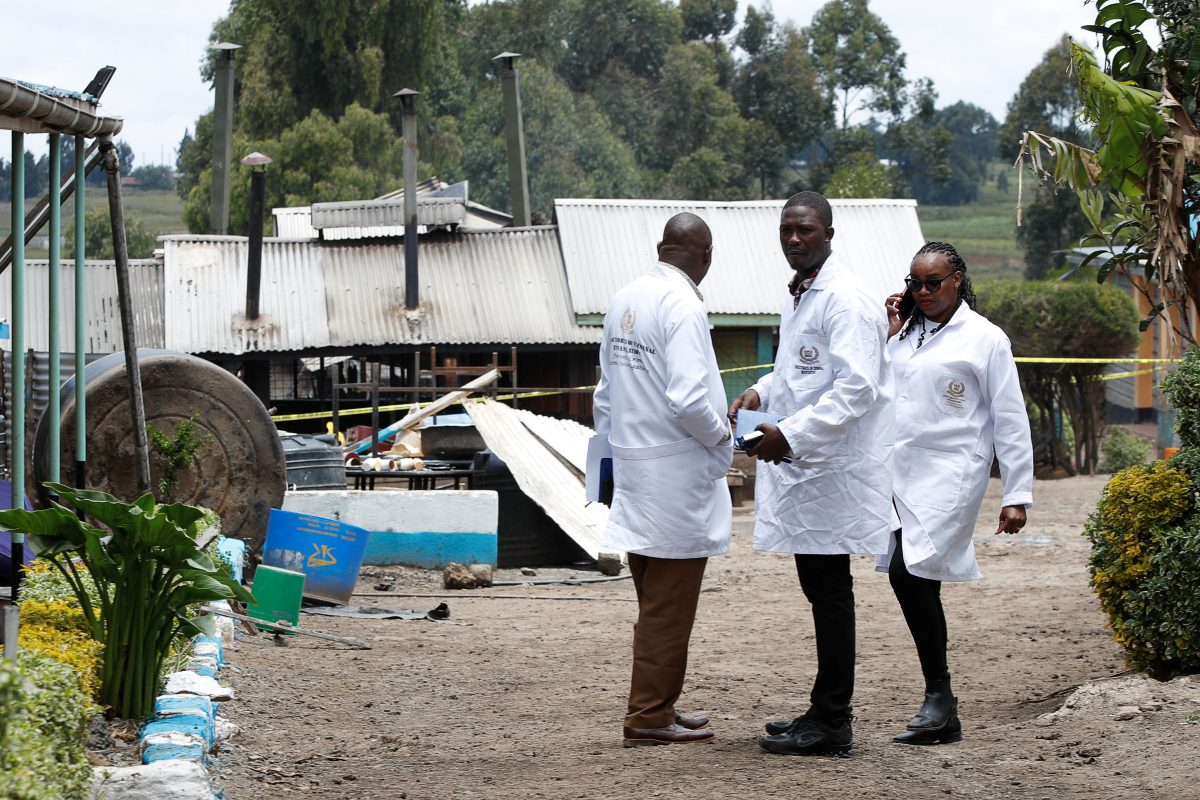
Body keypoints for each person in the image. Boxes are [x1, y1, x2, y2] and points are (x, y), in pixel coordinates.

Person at [729, 192, 895, 756]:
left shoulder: (845, 300)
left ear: (828, 232)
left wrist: (791, 435)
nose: (793, 239)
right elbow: (796, 374)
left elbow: (856, 389)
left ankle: (832, 722)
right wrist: (761, 391)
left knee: (830, 593)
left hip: (831, 470)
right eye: (786, 231)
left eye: (804, 230)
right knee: (822, 589)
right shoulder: (802, 295)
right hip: (809, 469)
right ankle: (824, 707)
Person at [880, 241, 1033, 745]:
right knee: (921, 576)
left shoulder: (986, 339)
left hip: (953, 471)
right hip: (900, 469)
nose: (923, 292)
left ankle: (939, 696)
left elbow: (1010, 419)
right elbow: (878, 388)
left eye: (933, 283)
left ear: (958, 282)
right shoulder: (905, 336)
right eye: (915, 283)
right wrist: (889, 335)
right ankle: (942, 709)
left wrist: (1017, 494)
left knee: (909, 571)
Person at [592, 212, 734, 748]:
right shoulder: (683, 305)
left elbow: (604, 395)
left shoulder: (625, 298)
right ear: (707, 256)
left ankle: (661, 701)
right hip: (674, 476)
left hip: (633, 467)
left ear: (661, 248)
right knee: (668, 606)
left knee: (654, 597)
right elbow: (691, 398)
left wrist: (611, 457)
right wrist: (723, 437)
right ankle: (648, 716)